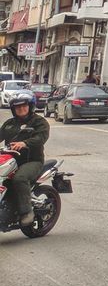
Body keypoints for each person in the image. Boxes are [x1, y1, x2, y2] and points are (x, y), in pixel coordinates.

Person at [1, 91, 49, 227]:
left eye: (24, 106)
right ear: (13, 109)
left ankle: (27, 212)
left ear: (30, 106)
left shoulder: (39, 122)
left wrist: (25, 143)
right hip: (10, 160)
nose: (21, 109)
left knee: (20, 178)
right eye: (17, 107)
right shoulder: (9, 123)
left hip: (32, 161)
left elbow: (41, 137)